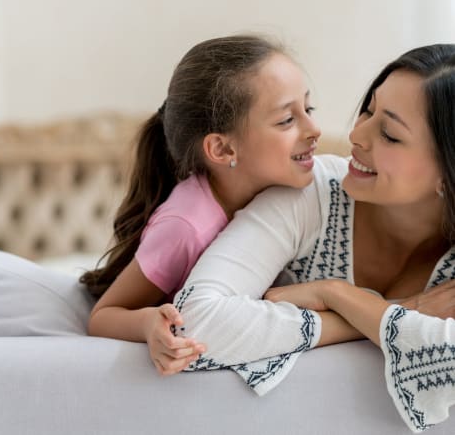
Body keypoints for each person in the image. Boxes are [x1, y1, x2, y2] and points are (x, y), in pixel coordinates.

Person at [174, 44, 455, 432]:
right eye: (368, 110)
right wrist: (402, 309)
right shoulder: (313, 194)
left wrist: (336, 296)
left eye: (389, 134)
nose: (356, 135)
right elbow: (195, 322)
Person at [79, 34, 321, 375]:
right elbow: (104, 316)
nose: (314, 129)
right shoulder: (186, 227)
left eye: (308, 109)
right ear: (222, 150)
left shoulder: (286, 193)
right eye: (286, 120)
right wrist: (149, 323)